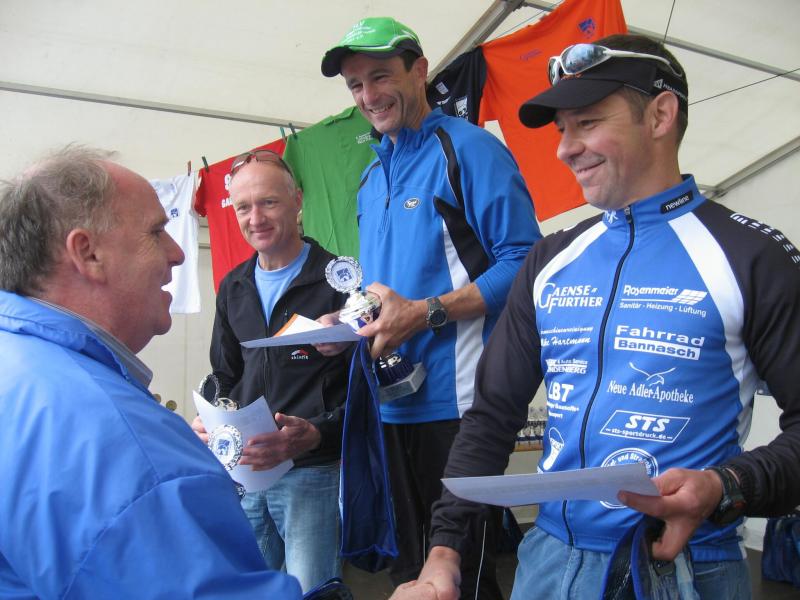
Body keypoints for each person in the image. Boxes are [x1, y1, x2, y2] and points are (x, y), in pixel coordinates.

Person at [409, 34, 800, 600]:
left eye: (587, 123)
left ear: (660, 115)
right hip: (546, 563)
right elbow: (492, 414)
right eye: (561, 129)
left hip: (681, 566)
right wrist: (444, 552)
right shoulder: (549, 258)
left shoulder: (752, 255)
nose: (565, 149)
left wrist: (726, 485)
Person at [0, 146, 301, 598]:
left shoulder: (17, 361)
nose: (178, 253)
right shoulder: (117, 441)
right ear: (87, 252)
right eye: (156, 232)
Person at [321, 16, 542, 598]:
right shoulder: (371, 176)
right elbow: (386, 288)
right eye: (355, 84)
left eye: (380, 76)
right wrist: (347, 321)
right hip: (390, 405)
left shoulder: (468, 149)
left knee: (462, 577)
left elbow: (525, 262)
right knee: (410, 575)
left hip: (460, 404)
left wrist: (426, 313)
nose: (368, 95)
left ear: (419, 71)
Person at [190, 149, 350, 593]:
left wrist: (317, 434)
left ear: (297, 200)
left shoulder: (340, 282)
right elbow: (224, 374)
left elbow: (366, 391)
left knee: (309, 590)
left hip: (312, 473)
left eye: (268, 202)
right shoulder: (233, 286)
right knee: (248, 589)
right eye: (243, 207)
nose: (255, 218)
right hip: (247, 471)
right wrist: (209, 416)